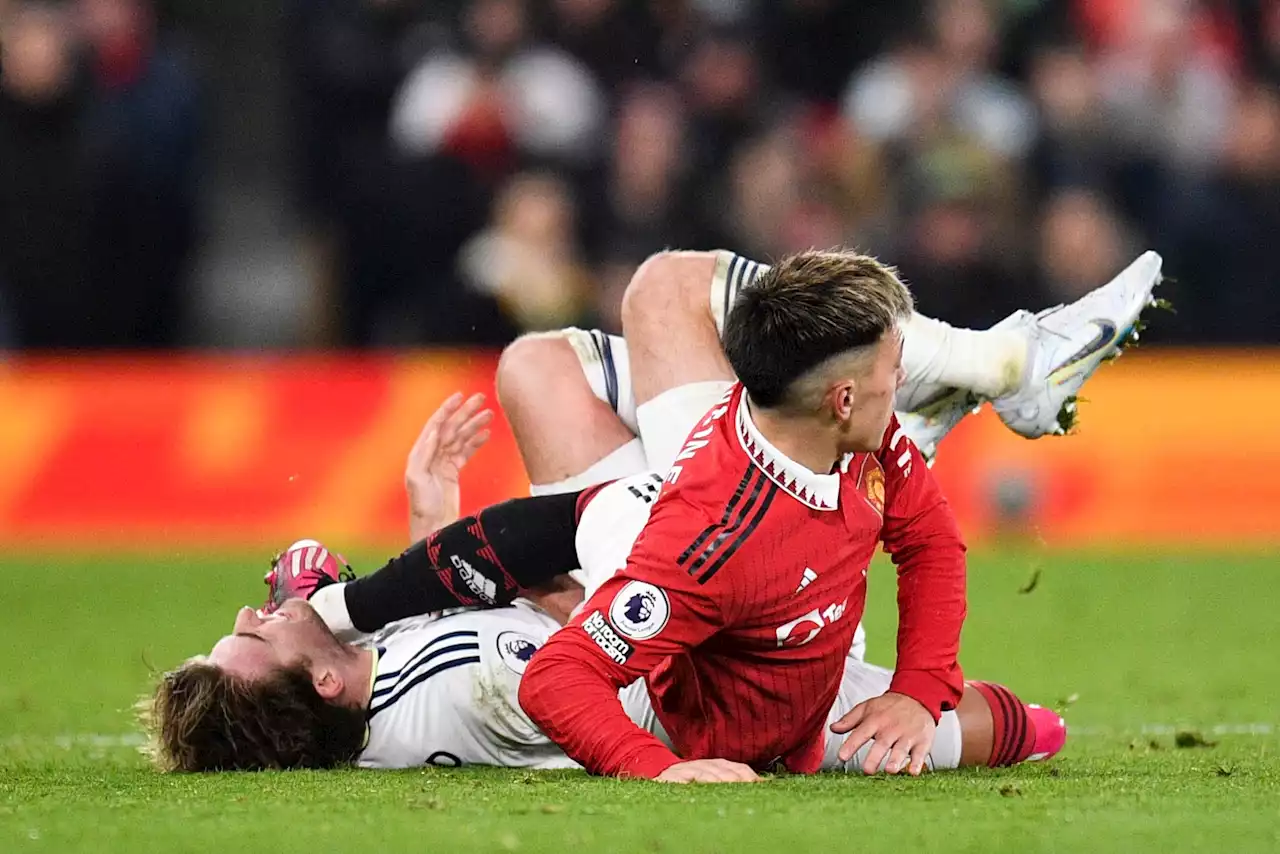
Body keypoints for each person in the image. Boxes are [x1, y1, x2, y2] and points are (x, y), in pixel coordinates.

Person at [142, 392, 1064, 775]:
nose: (247, 613)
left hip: (695, 632)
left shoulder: (371, 698)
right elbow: (566, 650)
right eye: (254, 637)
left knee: (538, 376)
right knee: (652, 323)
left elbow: (465, 621)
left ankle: (856, 430)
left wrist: (429, 514)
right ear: (324, 682)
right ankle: (878, 414)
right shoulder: (468, 685)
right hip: (722, 660)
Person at [515, 249, 1072, 783]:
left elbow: (929, 538)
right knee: (1018, 729)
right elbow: (557, 678)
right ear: (844, 400)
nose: (899, 381)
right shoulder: (711, 543)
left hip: (801, 627)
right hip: (714, 721)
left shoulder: (853, 436)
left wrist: (918, 691)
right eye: (892, 370)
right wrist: (656, 765)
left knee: (1031, 729)